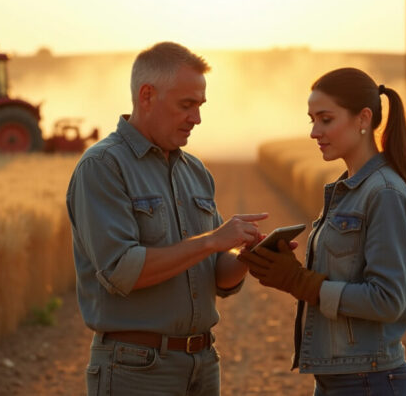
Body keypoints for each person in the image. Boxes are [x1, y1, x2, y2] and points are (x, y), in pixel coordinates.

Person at [66, 42, 267, 396]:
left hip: (203, 364)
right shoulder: (103, 166)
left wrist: (247, 255)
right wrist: (211, 241)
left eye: (200, 106)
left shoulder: (195, 171)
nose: (196, 118)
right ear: (147, 96)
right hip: (136, 369)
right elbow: (122, 270)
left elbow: (218, 278)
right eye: (186, 105)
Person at [239, 68, 406, 396]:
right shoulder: (350, 189)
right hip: (342, 379)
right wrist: (290, 271)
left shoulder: (384, 193)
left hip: (369, 381)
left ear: (363, 118)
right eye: (312, 120)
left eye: (325, 119)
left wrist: (300, 282)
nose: (314, 132)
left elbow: (387, 301)